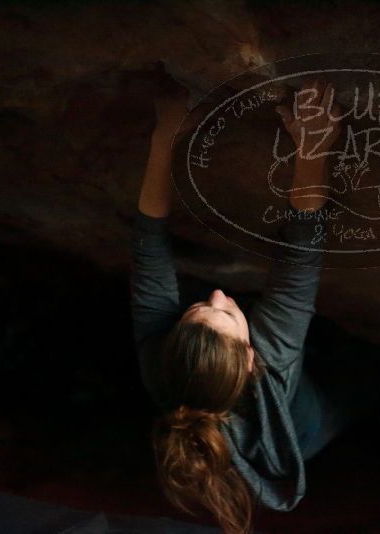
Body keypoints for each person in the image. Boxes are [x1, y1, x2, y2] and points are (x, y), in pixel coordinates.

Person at [129, 72, 349, 534]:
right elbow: (300, 253)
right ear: (252, 360)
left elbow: (149, 245)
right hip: (307, 430)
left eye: (197, 310)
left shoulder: (159, 358)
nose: (218, 294)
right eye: (226, 312)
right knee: (357, 388)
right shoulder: (274, 355)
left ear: (174, 341)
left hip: (253, 423)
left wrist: (165, 137)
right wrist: (313, 146)